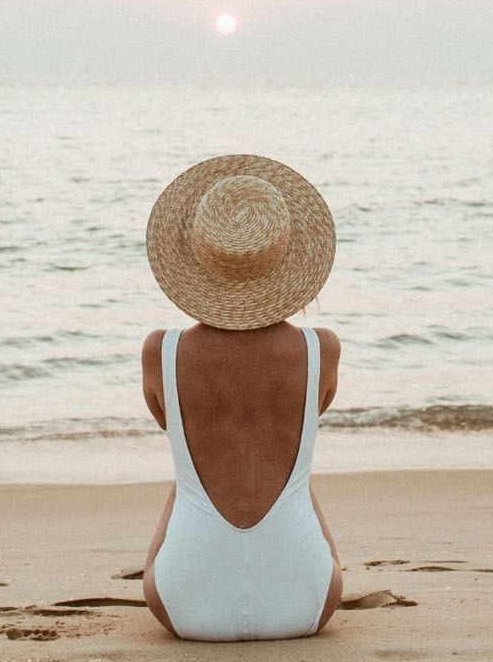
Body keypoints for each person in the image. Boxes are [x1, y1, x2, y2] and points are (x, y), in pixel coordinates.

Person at [139, 153, 344, 641]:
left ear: (195, 258)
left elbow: (174, 428)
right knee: (296, 473)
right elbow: (308, 416)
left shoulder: (160, 351)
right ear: (289, 258)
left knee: (185, 475)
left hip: (186, 605)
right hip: (306, 599)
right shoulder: (322, 349)